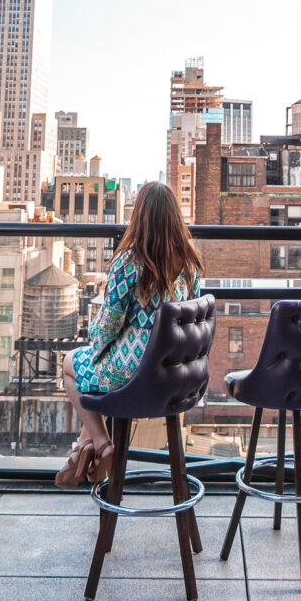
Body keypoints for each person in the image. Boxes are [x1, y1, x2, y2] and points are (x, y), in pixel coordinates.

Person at [57, 181, 204, 488]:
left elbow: (109, 325)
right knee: (96, 376)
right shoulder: (191, 263)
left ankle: (101, 445)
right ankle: (83, 451)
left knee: (71, 364)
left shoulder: (130, 262)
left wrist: (94, 341)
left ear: (139, 216)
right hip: (178, 376)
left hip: (134, 373)